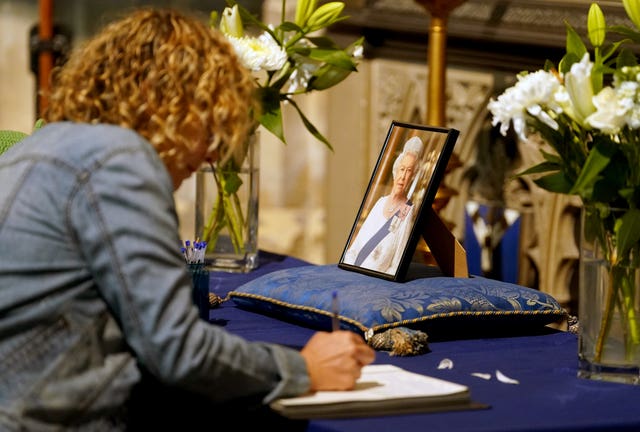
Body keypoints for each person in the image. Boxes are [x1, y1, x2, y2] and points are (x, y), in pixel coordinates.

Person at [0, 8, 375, 431]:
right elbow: (177, 350)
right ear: (166, 103)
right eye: (211, 125)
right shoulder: (119, 160)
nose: (213, 154)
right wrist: (302, 368)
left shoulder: (42, 147)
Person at [343, 136, 424, 275]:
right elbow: (354, 249)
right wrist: (349, 271)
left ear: (413, 177)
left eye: (409, 171)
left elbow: (396, 265)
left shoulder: (407, 211)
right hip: (354, 274)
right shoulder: (380, 202)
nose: (403, 176)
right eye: (402, 169)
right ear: (395, 171)